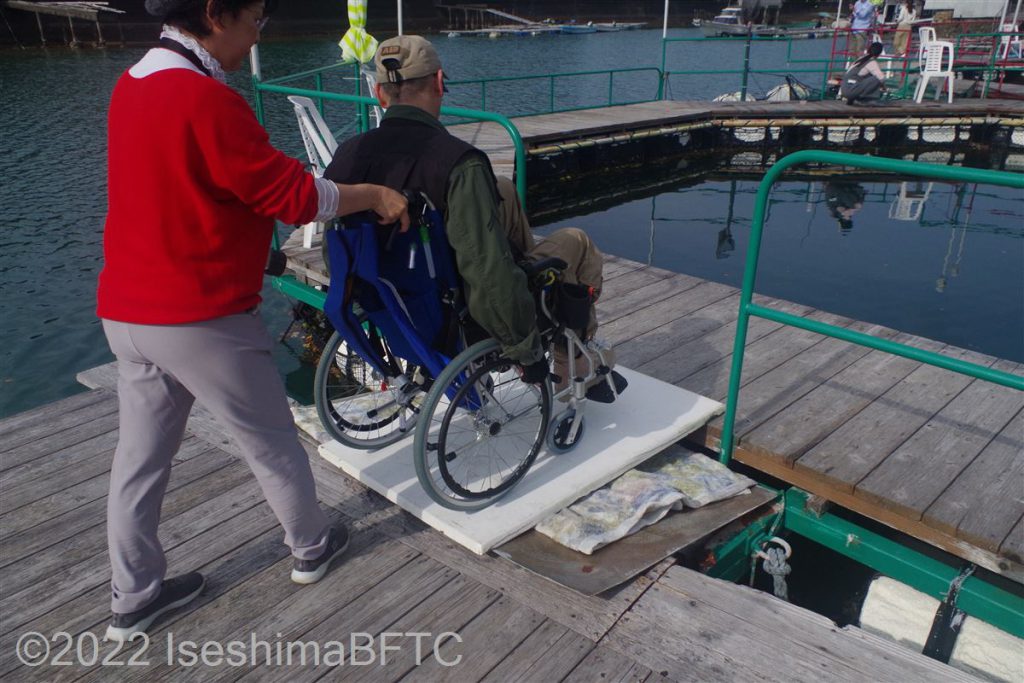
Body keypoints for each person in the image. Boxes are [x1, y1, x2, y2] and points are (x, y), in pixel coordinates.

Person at [97, 0, 409, 642]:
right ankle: (313, 544)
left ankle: (135, 598)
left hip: (126, 311)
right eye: (255, 19)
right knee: (270, 441)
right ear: (216, 14)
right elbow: (296, 195)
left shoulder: (131, 84)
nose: (256, 35)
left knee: (139, 461)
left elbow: (184, 192)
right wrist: (374, 195)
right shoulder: (206, 98)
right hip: (199, 315)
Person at [324, 35, 624, 400]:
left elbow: (335, 253)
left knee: (502, 189)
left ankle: (533, 267)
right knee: (578, 241)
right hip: (461, 316)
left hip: (393, 303)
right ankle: (569, 358)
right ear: (438, 83)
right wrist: (524, 350)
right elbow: (485, 273)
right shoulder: (457, 162)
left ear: (379, 92)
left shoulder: (347, 156)